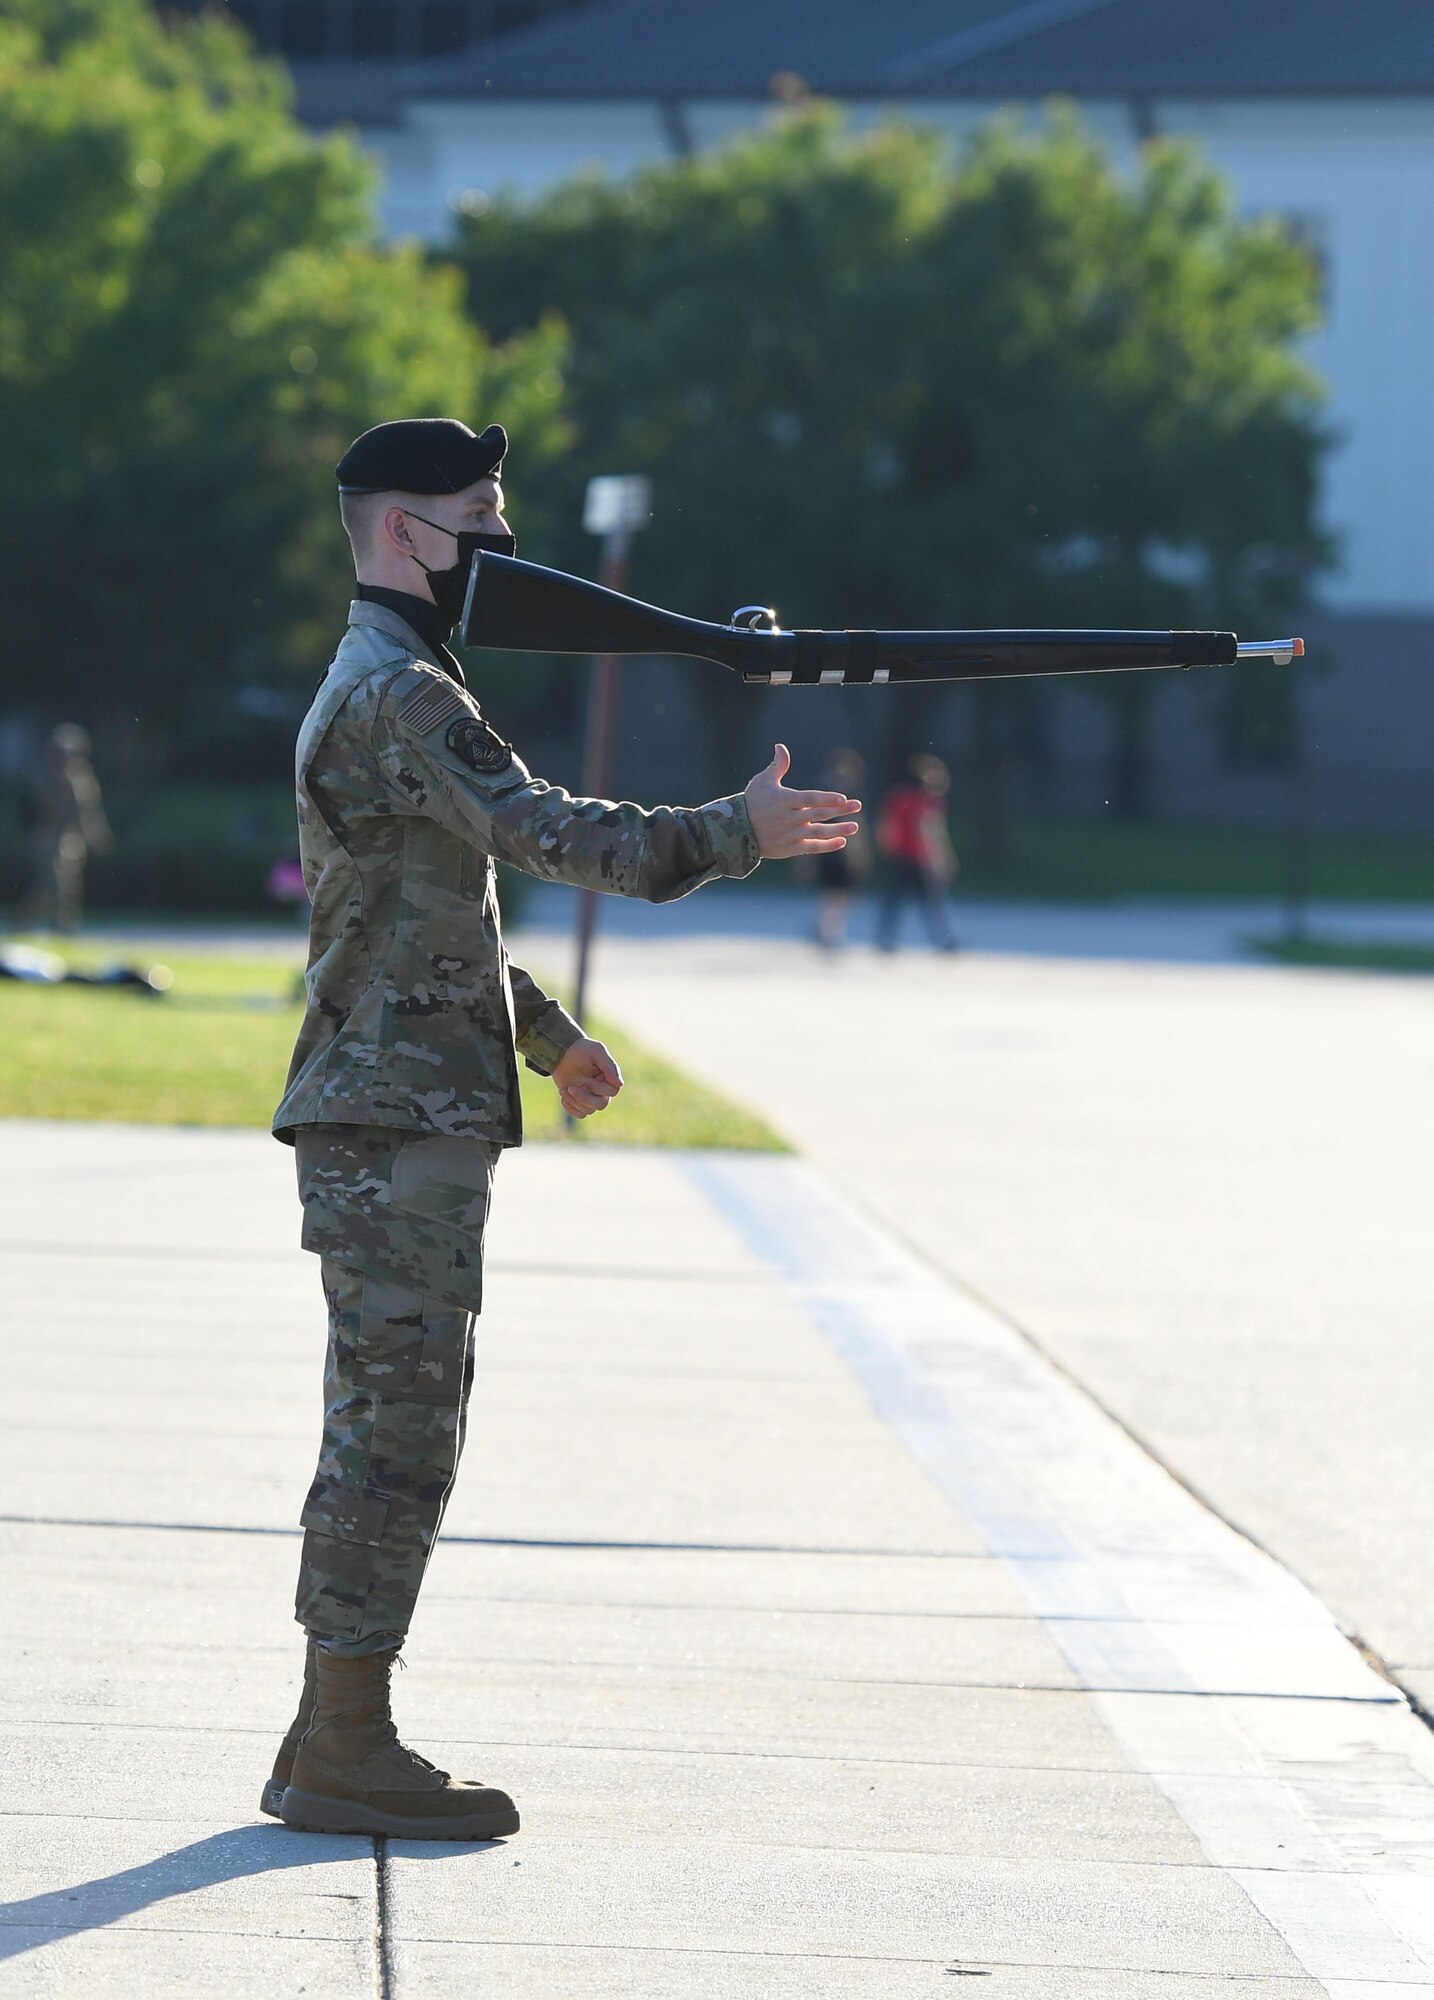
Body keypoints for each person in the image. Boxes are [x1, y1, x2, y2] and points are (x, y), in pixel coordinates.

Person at [264, 416, 861, 1842]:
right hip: (390, 1127)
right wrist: (736, 829)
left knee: (398, 1418)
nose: (506, 542)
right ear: (409, 531)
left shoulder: (388, 683)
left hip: (394, 1112)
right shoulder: (404, 693)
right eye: (484, 514)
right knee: (391, 1432)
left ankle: (331, 1728)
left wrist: (545, 1037)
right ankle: (342, 1739)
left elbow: (419, 915)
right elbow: (556, 838)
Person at [18, 725, 111, 934]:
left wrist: (96, 835)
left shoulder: (82, 777)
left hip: (70, 837)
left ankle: (58, 924)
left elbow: (88, 809)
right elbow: (39, 807)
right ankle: (38, 922)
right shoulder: (41, 776)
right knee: (51, 881)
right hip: (46, 834)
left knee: (70, 884)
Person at [875, 752, 959, 952]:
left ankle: (885, 938)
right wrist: (940, 858)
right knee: (934, 902)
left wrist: (888, 847)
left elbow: (885, 827)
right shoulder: (927, 802)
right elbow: (930, 832)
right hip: (920, 858)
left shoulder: (898, 797)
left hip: (901, 856)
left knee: (895, 901)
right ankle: (945, 938)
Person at [812, 747, 872, 949]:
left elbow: (857, 823)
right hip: (830, 848)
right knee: (833, 893)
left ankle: (827, 928)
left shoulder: (852, 790)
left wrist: (860, 850)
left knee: (844, 895)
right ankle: (827, 931)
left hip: (845, 849)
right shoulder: (824, 791)